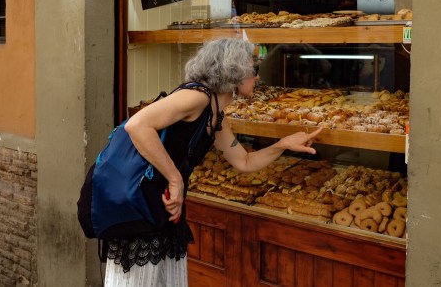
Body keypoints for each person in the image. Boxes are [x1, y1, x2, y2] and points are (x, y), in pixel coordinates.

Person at [104, 37, 322, 287]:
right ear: (235, 71)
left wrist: (283, 144)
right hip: (143, 203)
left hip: (165, 207)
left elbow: (244, 161)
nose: (258, 77)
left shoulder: (215, 114)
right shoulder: (197, 97)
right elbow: (137, 125)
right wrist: (176, 179)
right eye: (254, 70)